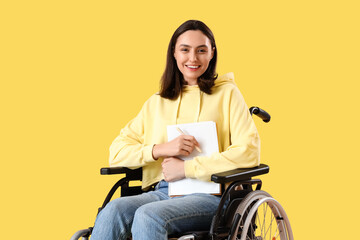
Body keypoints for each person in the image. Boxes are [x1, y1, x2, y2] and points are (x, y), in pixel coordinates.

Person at [90, 20, 260, 240]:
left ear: (212, 53)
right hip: (164, 192)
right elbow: (116, 152)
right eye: (185, 50)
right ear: (174, 53)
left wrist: (186, 169)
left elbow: (249, 151)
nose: (193, 58)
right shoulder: (157, 103)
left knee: (148, 216)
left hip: (213, 197)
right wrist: (160, 149)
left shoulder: (228, 94)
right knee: (113, 210)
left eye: (201, 50)